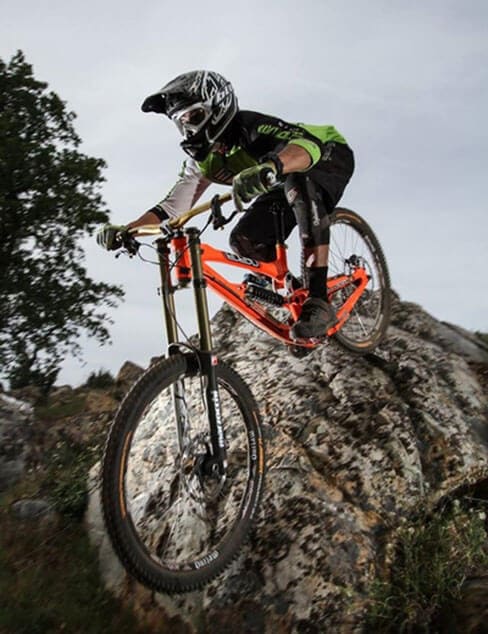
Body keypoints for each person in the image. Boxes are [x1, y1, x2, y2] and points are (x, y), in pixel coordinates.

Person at [97, 70, 354, 339]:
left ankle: (319, 300)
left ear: (217, 107)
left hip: (325, 155)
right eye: (181, 122)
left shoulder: (252, 128)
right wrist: (127, 230)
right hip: (279, 179)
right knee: (243, 241)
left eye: (194, 117)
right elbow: (171, 208)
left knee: (299, 186)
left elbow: (307, 147)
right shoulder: (202, 162)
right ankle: (293, 292)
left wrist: (272, 166)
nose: (189, 129)